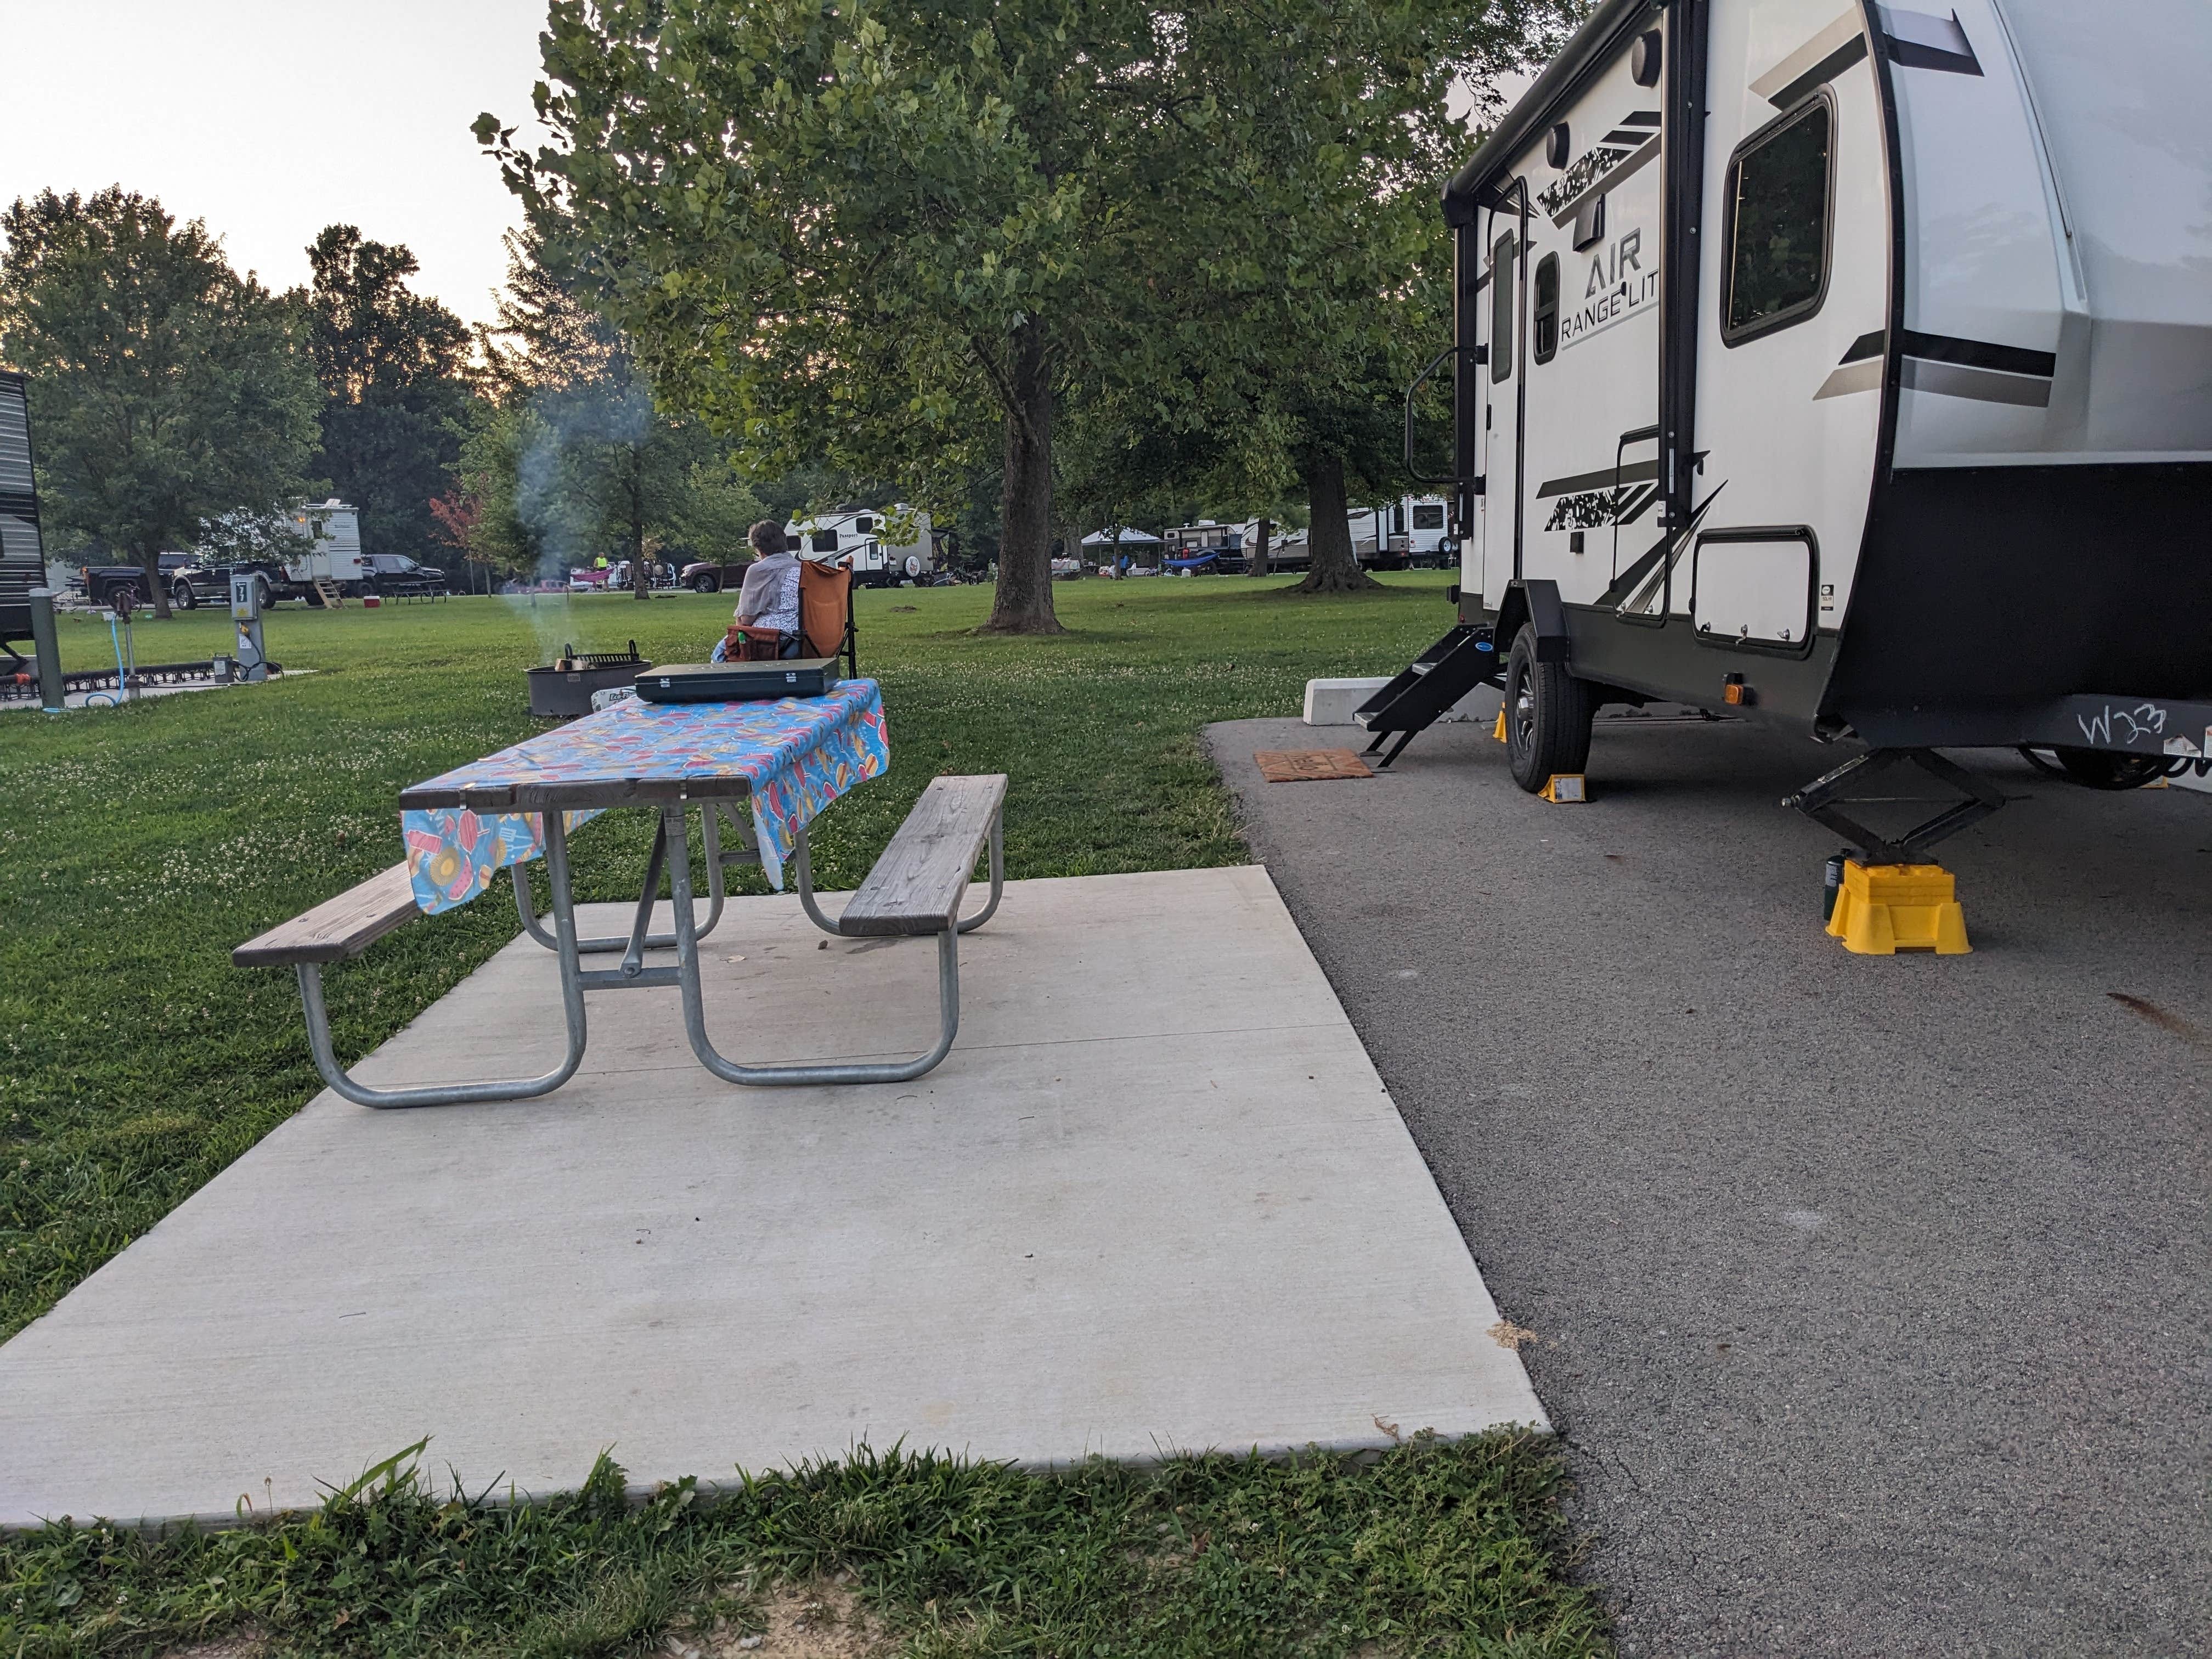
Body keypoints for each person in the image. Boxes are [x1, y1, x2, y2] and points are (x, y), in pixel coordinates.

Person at [713, 520, 803, 661]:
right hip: (805, 639)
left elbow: (746, 620)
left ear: (758, 548)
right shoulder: (802, 568)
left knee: (719, 653)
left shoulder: (759, 570)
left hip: (775, 640)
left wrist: (740, 617)